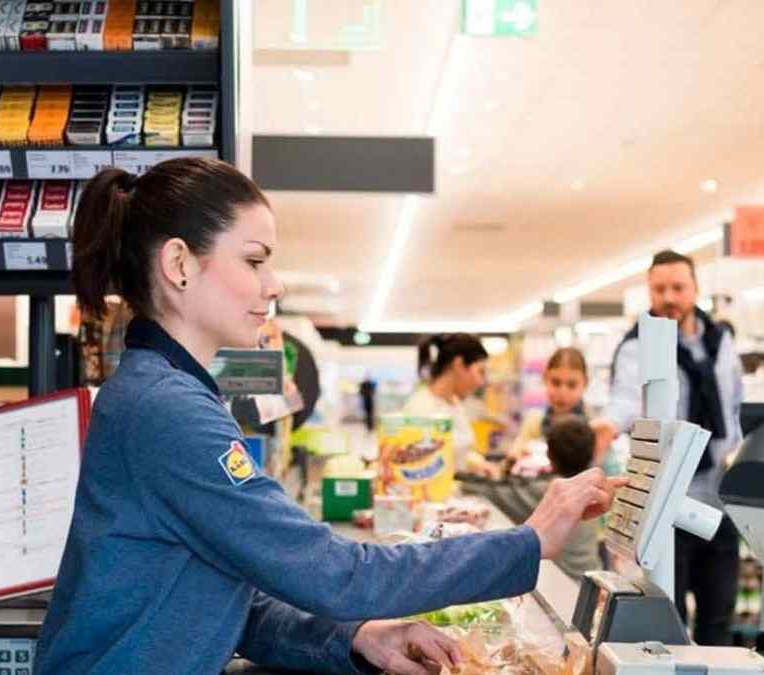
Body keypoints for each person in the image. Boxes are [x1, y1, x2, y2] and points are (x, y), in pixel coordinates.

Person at [34, 158, 626, 675]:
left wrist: (357, 638)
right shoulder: (165, 410)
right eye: (255, 260)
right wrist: (527, 543)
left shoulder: (166, 393)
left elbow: (221, 598)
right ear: (180, 265)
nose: (275, 284)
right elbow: (338, 574)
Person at [592, 249, 744, 647]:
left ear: (695, 288)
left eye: (678, 287)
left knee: (718, 621)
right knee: (668, 621)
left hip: (720, 496)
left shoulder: (721, 340)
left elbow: (735, 406)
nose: (670, 297)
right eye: (660, 289)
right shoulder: (637, 345)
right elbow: (624, 401)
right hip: (664, 502)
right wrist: (605, 426)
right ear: (649, 291)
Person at [496, 416, 603, 579]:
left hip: (559, 585)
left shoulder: (548, 491)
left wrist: (507, 464)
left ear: (549, 454)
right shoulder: (594, 489)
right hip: (592, 581)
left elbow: (496, 493)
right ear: (593, 452)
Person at [402, 334, 489, 473]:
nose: (481, 382)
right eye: (480, 371)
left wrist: (478, 464)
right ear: (459, 365)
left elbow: (456, 452)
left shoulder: (455, 403)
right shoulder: (422, 408)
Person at [510, 347, 590, 460]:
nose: (562, 393)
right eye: (556, 383)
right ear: (545, 378)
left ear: (585, 383)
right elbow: (512, 458)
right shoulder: (534, 422)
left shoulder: (593, 427)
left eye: (571, 385)